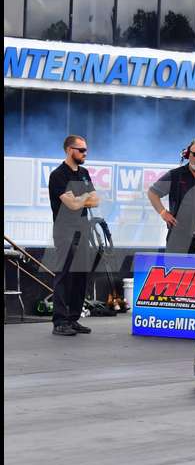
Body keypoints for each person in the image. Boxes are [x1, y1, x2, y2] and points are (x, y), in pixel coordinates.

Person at [48, 135, 100, 336]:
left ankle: (73, 318)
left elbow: (95, 200)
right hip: (65, 230)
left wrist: (81, 198)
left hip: (83, 229)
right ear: (70, 150)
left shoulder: (84, 173)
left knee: (80, 275)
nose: (85, 153)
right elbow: (71, 205)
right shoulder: (58, 175)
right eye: (82, 150)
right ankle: (60, 321)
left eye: (86, 150)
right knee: (64, 275)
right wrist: (84, 197)